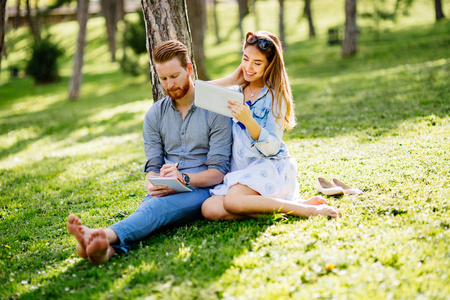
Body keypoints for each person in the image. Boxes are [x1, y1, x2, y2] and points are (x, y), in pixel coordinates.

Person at [67, 40, 233, 264]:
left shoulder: (215, 111)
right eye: (163, 79)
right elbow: (153, 166)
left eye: (174, 76)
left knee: (156, 209)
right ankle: (105, 251)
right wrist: (152, 184)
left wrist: (183, 178)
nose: (169, 84)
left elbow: (218, 172)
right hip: (167, 188)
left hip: (205, 189)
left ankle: (104, 234)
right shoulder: (155, 115)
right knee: (152, 208)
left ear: (190, 69)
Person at [202, 31, 338, 221]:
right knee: (210, 208)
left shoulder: (275, 97)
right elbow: (195, 95)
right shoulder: (235, 92)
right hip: (241, 171)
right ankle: (289, 208)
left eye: (257, 63)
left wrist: (248, 120)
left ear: (269, 66)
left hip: (268, 167)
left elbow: (272, 147)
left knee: (232, 201)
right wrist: (232, 80)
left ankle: (306, 211)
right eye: (245, 59)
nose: (249, 67)